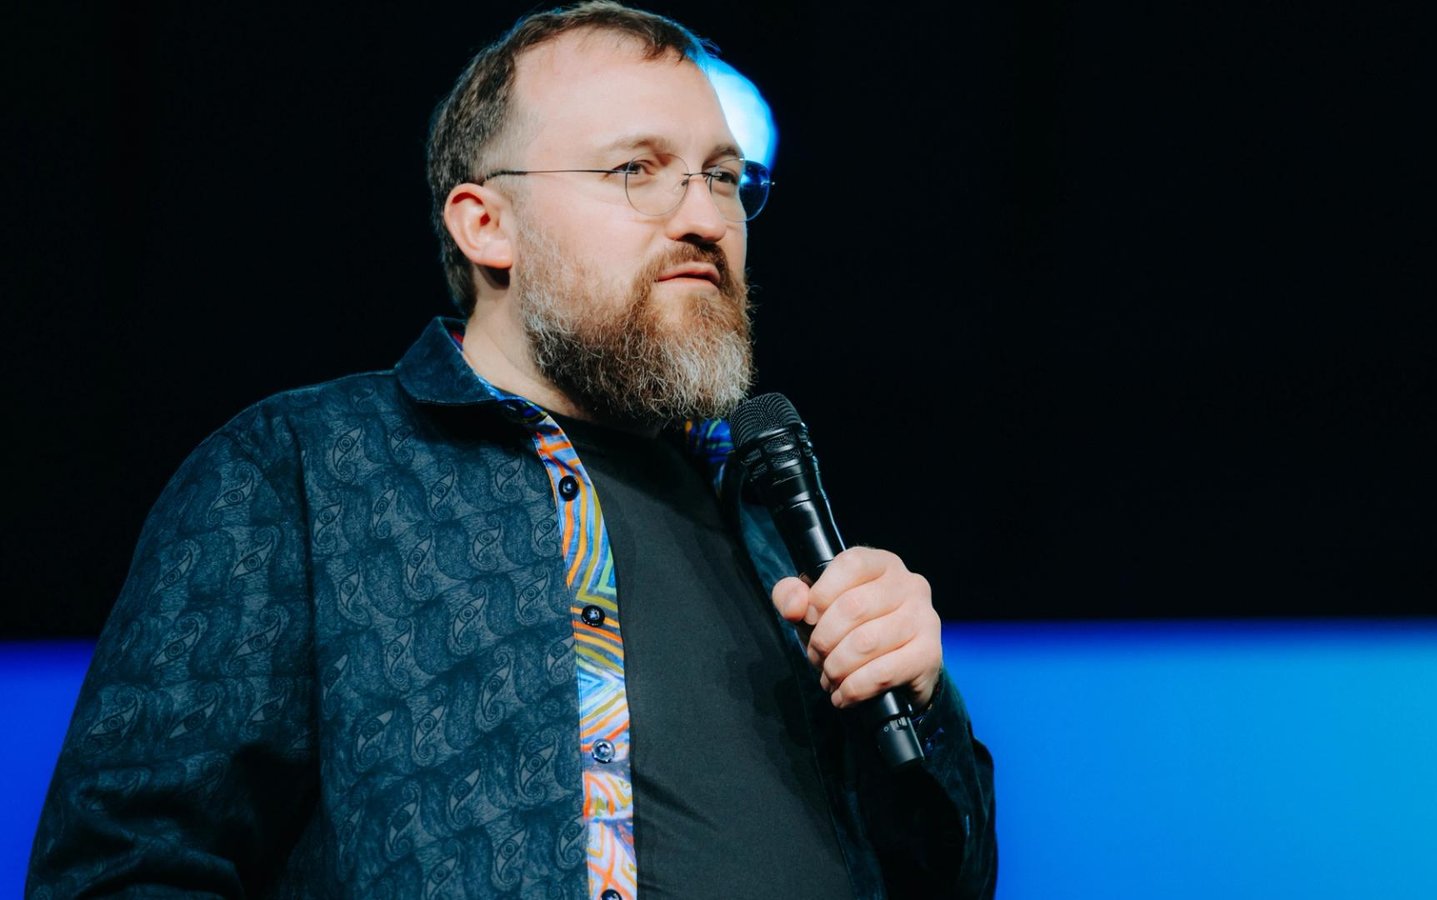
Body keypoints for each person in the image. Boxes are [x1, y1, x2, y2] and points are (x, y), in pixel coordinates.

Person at [26, 2, 998, 898]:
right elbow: (125, 867)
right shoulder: (299, 470)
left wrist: (923, 703)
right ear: (487, 224)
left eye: (722, 177)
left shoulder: (767, 519)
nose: (706, 218)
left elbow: (948, 879)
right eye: (637, 169)